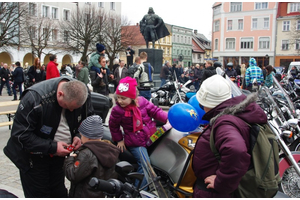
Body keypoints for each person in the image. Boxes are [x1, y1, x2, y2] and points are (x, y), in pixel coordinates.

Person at [3, 77, 94, 198]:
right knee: (40, 194)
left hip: (58, 159)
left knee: (59, 192)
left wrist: (78, 135)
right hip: (32, 160)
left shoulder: (82, 94)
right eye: (68, 106)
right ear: (60, 94)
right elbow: (20, 135)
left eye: (75, 109)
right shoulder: (34, 99)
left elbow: (87, 120)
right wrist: (53, 147)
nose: (72, 110)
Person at [192, 74, 267, 198]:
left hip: (215, 193)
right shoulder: (237, 112)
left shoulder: (224, 123)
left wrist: (222, 182)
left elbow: (236, 150)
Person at [109, 77, 169, 188]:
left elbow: (155, 111)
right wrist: (119, 140)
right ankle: (139, 191)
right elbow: (113, 125)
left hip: (150, 136)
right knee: (145, 165)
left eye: (123, 98)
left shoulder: (142, 102)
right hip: (136, 143)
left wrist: (168, 118)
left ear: (133, 97)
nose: (119, 101)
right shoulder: (118, 110)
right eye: (118, 98)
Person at [64, 115, 120, 198]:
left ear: (88, 137)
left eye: (81, 135)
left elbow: (73, 175)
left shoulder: (87, 154)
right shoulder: (111, 151)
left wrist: (70, 159)